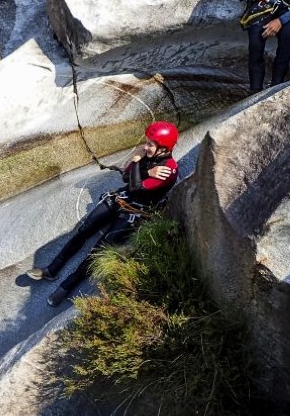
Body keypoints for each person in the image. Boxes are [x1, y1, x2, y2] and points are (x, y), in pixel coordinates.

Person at [28, 121, 179, 306]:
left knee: (98, 250)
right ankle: (51, 269)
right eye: (147, 142)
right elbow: (125, 176)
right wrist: (143, 166)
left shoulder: (168, 170)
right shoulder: (147, 156)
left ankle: (66, 287)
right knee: (84, 230)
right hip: (122, 198)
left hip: (136, 211)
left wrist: (138, 162)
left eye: (150, 144)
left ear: (163, 149)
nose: (145, 146)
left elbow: (136, 187)